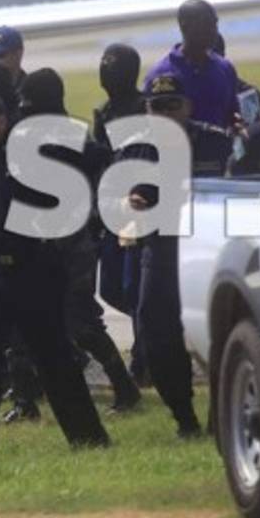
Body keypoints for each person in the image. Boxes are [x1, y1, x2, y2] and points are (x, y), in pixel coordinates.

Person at [0, 90, 110, 456]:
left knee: (54, 358)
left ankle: (88, 439)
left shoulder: (30, 154)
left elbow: (93, 157)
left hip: (35, 269)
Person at [17, 68, 142, 414]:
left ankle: (124, 387)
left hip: (72, 243)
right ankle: (32, 396)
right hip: (44, 240)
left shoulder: (70, 137)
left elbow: (101, 163)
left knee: (81, 322)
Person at [126, 75, 208, 439]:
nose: (164, 114)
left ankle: (228, 410)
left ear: (187, 107)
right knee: (155, 329)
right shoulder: (137, 149)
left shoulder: (214, 141)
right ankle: (184, 415)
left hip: (207, 249)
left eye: (172, 106)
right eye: (156, 107)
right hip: (160, 247)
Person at [92, 44, 149, 384]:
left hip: (141, 209)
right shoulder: (104, 113)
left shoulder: (145, 110)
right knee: (111, 288)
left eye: (113, 65)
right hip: (112, 211)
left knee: (133, 288)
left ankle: (143, 357)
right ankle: (156, 330)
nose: (107, 71)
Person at [143, 0, 239, 132]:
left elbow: (233, 115)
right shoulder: (160, 75)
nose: (213, 30)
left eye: (215, 23)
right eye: (206, 24)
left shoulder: (225, 68)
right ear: (185, 26)